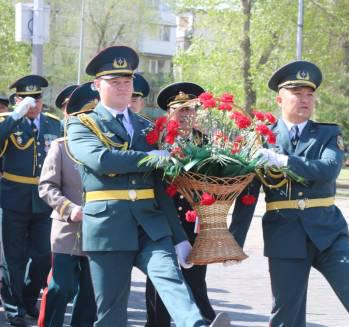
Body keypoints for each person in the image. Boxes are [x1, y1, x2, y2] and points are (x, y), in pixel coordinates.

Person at [66, 45, 229, 327]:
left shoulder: (146, 127)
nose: (122, 88)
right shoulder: (82, 124)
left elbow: (159, 189)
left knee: (171, 281)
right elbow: (101, 159)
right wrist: (148, 158)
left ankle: (196, 324)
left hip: (150, 224)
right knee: (111, 313)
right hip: (108, 226)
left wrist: (179, 238)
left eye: (127, 82)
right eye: (114, 82)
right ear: (96, 85)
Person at [230, 61, 349, 327]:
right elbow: (249, 195)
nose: (305, 100)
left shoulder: (328, 133)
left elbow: (327, 170)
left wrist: (282, 162)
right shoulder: (261, 138)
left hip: (327, 231)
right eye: (298, 94)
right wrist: (234, 241)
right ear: (280, 99)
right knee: (286, 312)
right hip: (284, 233)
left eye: (310, 94)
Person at [145, 82, 222, 326]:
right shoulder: (156, 142)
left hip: (194, 223)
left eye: (191, 110)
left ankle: (202, 320)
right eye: (181, 110)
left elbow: (216, 181)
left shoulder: (206, 143)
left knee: (196, 279)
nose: (186, 115)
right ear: (170, 113)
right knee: (161, 284)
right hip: (162, 221)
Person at [0, 75, 62, 326]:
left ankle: (27, 299)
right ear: (17, 99)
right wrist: (16, 114)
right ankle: (13, 308)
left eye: (37, 98)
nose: (34, 103)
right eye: (28, 98)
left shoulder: (53, 123)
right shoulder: (7, 122)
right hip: (13, 198)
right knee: (12, 258)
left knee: (43, 256)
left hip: (44, 200)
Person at [37, 83, 98, 327]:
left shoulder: (108, 147)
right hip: (66, 229)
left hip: (99, 230)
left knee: (90, 293)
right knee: (62, 287)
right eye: (85, 117)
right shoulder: (61, 146)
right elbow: (46, 187)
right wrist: (69, 209)